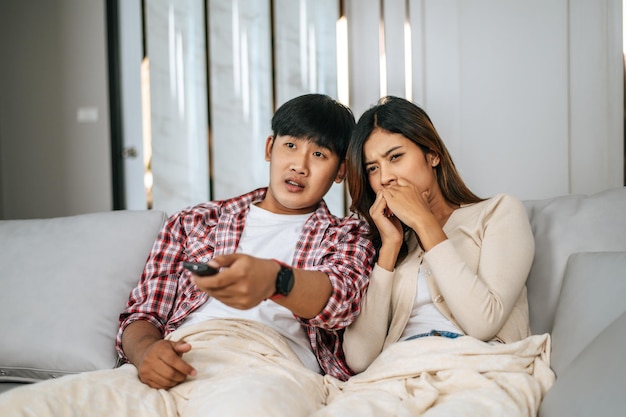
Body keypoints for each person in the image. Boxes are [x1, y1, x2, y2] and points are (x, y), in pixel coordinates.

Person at [0, 94, 375, 417]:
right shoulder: (196, 221)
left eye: (319, 154)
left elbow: (339, 302)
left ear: (340, 170)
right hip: (183, 352)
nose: (299, 165)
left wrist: (274, 279)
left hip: (271, 365)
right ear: (269, 148)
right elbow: (143, 313)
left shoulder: (347, 234)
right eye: (290, 145)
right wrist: (146, 353)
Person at [312, 96, 553, 417]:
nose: (384, 178)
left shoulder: (498, 213)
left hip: (475, 368)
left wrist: (426, 224)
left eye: (395, 157)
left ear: (433, 155)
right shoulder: (389, 242)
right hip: (393, 374)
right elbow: (359, 358)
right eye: (373, 168)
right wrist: (390, 247)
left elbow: (483, 323)